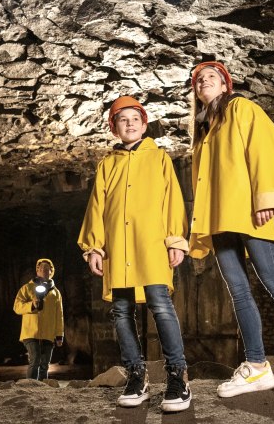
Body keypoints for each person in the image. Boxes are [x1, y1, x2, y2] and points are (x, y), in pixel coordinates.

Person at [188, 61, 274, 397]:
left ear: (225, 86)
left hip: (248, 209)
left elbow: (264, 145)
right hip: (220, 217)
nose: (204, 82)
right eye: (198, 80)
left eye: (212, 77)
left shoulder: (241, 108)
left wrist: (266, 196)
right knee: (238, 291)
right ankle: (256, 367)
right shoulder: (204, 130)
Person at [77, 96, 191, 412]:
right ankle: (136, 375)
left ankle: (176, 375)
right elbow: (96, 207)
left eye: (135, 118)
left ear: (143, 123)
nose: (129, 123)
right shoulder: (106, 165)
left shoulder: (160, 158)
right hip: (117, 249)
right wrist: (94, 247)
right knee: (121, 310)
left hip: (151, 244)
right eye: (122, 119)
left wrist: (174, 240)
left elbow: (173, 201)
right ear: (114, 128)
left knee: (160, 305)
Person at [13, 258, 64, 380]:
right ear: (37, 271)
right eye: (41, 268)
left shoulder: (56, 293)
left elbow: (59, 315)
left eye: (46, 269)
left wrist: (59, 335)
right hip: (31, 332)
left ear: (51, 271)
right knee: (35, 359)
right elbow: (16, 307)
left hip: (48, 333)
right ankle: (30, 387)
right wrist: (31, 305)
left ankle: (43, 389)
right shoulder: (27, 288)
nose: (43, 271)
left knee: (45, 364)